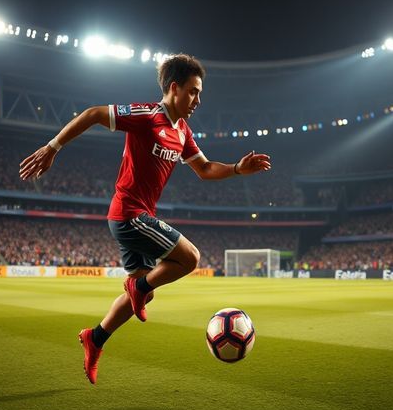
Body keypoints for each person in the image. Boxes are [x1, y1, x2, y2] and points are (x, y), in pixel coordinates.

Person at [19, 54, 271, 384]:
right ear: (174, 88)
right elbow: (94, 114)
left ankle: (95, 337)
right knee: (190, 258)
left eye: (199, 93)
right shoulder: (147, 115)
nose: (198, 100)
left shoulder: (182, 131)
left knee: (143, 294)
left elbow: (205, 168)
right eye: (193, 92)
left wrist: (237, 168)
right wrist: (53, 147)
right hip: (128, 213)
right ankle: (138, 286)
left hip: (138, 216)